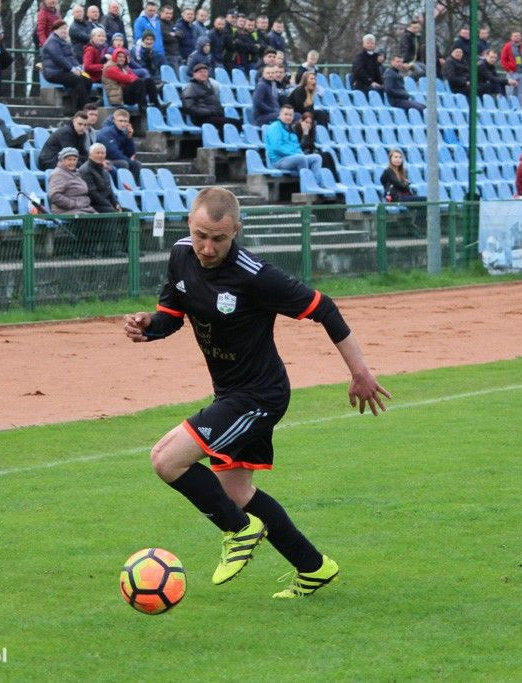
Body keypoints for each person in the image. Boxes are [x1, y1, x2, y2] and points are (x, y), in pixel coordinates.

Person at [122, 186, 390, 598]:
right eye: (200, 235)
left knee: (165, 459)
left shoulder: (256, 276)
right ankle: (314, 568)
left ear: (236, 232)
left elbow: (325, 308)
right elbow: (172, 316)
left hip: (259, 397)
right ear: (188, 225)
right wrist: (149, 326)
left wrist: (360, 373)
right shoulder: (180, 255)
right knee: (237, 493)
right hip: (231, 393)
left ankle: (239, 531)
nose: (207, 248)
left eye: (219, 238)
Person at [41, 19, 93, 115]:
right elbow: (59, 59)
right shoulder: (52, 41)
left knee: (87, 79)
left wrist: (78, 67)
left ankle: (81, 107)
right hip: (54, 73)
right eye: (62, 29)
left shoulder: (63, 41)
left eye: (66, 29)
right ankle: (83, 109)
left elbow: (71, 57)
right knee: (78, 80)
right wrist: (72, 69)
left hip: (63, 71)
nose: (65, 31)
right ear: (55, 30)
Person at [181, 61, 241, 130]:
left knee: (237, 122)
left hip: (212, 117)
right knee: (233, 124)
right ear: (194, 74)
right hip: (201, 118)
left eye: (205, 72)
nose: (203, 74)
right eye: (200, 72)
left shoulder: (207, 86)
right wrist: (209, 111)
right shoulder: (190, 87)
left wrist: (217, 111)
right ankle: (224, 140)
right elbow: (188, 107)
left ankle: (225, 139)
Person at [265, 104, 321, 175]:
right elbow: (277, 147)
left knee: (316, 158)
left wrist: (299, 153)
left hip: (291, 158)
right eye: (286, 114)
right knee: (301, 158)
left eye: (290, 115)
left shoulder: (290, 128)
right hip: (279, 160)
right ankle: (306, 184)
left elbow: (296, 146)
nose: (288, 117)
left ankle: (315, 183)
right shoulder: (274, 127)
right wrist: (295, 154)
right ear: (280, 115)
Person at [103, 46, 160, 111]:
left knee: (148, 81)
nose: (122, 59)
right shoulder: (110, 68)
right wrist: (133, 79)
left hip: (127, 93)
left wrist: (133, 78)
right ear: (114, 56)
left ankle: (156, 104)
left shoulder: (124, 67)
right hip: (120, 97)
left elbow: (133, 77)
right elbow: (126, 78)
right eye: (119, 56)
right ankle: (143, 108)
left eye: (123, 57)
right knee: (139, 82)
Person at [48, 146, 95, 214]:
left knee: (104, 218)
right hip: (65, 211)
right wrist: (74, 204)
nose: (72, 162)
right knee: (95, 221)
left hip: (83, 208)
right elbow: (54, 196)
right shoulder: (58, 174)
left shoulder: (76, 172)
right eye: (69, 159)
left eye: (74, 159)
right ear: (62, 160)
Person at [78, 142, 121, 214]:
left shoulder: (104, 171)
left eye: (102, 153)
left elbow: (109, 190)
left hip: (106, 203)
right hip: (93, 204)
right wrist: (110, 205)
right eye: (97, 153)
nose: (100, 155)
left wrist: (116, 204)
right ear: (90, 155)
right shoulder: (85, 170)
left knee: (128, 212)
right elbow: (92, 193)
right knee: (112, 212)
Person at [96, 108, 140, 176]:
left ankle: (134, 185)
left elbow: (131, 153)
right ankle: (120, 185)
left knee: (137, 164)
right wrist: (129, 160)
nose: (123, 124)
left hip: (116, 159)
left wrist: (129, 137)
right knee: (124, 163)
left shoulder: (123, 133)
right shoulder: (107, 132)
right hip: (104, 160)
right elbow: (113, 154)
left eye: (125, 121)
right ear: (114, 120)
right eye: (120, 121)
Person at [500, 31, 522, 105]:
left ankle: (519, 106)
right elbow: (503, 59)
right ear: (511, 37)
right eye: (515, 36)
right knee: (509, 91)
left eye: (518, 36)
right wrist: (508, 69)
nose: (517, 37)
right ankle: (508, 105)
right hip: (512, 72)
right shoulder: (507, 46)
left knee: (521, 91)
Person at [158, 4, 183, 73]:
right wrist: (175, 35)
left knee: (183, 76)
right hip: (169, 55)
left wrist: (174, 34)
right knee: (176, 77)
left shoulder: (172, 23)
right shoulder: (159, 24)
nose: (169, 15)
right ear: (161, 13)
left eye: (170, 13)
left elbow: (181, 34)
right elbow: (167, 37)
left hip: (178, 54)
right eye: (167, 13)